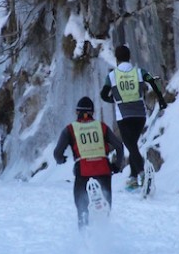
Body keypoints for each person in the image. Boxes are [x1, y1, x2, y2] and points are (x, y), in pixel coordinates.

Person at [100, 44, 167, 191]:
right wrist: (161, 100)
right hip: (139, 114)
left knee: (131, 146)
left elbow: (103, 95)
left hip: (123, 115)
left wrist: (114, 100)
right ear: (129, 57)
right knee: (133, 146)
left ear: (117, 59)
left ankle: (143, 174)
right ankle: (132, 177)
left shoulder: (112, 76)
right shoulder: (138, 72)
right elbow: (152, 82)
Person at [53, 97, 125, 229]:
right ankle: (104, 238)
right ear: (92, 112)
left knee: (82, 211)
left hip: (83, 173)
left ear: (77, 112)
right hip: (104, 171)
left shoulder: (70, 129)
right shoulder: (101, 126)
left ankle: (85, 241)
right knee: (104, 209)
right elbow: (119, 146)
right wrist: (116, 166)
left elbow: (57, 153)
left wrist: (61, 159)